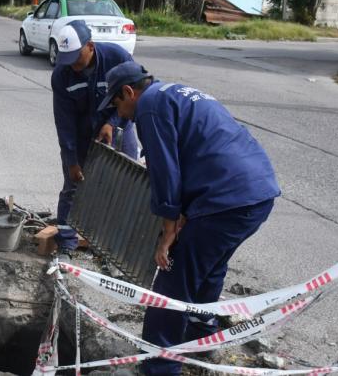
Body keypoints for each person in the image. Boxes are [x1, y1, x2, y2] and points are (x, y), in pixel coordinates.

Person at [98, 61, 280, 376]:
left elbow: (165, 171)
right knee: (209, 268)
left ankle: (160, 366)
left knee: (171, 282)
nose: (120, 113)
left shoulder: (150, 107)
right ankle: (202, 337)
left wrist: (168, 230)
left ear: (129, 91)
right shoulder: (176, 93)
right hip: (257, 193)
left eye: (117, 104)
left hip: (226, 198)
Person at [51, 20, 138, 256]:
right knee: (73, 186)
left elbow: (136, 96)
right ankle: (66, 243)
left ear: (90, 46)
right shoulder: (62, 74)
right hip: (81, 136)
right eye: (66, 59)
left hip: (119, 127)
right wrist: (71, 160)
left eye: (76, 58)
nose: (73, 66)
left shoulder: (117, 58)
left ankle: (115, 245)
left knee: (127, 185)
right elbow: (64, 122)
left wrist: (113, 123)